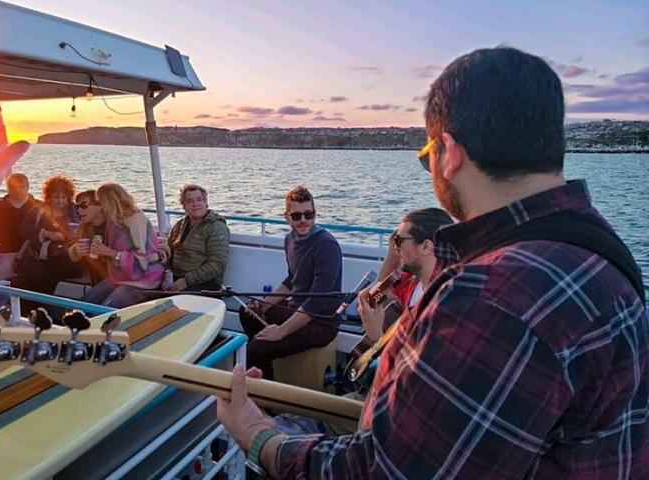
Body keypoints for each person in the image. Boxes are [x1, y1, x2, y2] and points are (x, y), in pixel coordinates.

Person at [217, 47, 649, 479]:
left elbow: (385, 472)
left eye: (428, 156)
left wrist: (259, 434)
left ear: (450, 152)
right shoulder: (596, 248)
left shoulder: (493, 295)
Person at [239, 185, 343, 380]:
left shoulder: (325, 245)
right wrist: (264, 303)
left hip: (321, 323)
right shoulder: (289, 240)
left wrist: (281, 331)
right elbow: (292, 278)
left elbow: (316, 302)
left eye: (308, 214)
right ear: (287, 217)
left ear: (315, 214)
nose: (303, 220)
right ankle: (269, 367)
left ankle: (266, 407)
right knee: (248, 312)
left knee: (255, 350)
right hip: (297, 309)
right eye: (297, 216)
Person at [360, 207, 453, 343]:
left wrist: (376, 335)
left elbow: (415, 360)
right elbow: (376, 295)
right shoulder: (410, 283)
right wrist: (393, 253)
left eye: (399, 241)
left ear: (426, 247)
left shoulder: (446, 302)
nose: (396, 247)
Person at [80, 183, 163, 308]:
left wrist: (111, 253)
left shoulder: (136, 220)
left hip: (142, 281)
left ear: (110, 202)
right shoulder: (113, 221)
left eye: (101, 202)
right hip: (118, 277)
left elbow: (142, 261)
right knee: (82, 305)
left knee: (106, 308)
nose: (101, 207)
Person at [13, 174, 83, 298]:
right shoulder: (38, 211)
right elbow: (24, 230)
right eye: (56, 197)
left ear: (69, 197)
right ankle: (25, 306)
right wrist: (46, 233)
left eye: (64, 197)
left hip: (67, 255)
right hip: (40, 254)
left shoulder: (76, 211)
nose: (60, 201)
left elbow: (86, 229)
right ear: (49, 196)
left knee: (55, 271)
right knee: (30, 271)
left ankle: (41, 305)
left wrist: (77, 235)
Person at [162, 184, 230, 292]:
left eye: (199, 200)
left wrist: (187, 280)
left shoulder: (216, 227)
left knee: (174, 300)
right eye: (190, 201)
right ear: (184, 206)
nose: (195, 204)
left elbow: (218, 264)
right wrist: (166, 276)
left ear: (205, 203)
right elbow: (169, 254)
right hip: (178, 277)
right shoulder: (179, 225)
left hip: (206, 283)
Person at [68, 189, 108, 284]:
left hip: (116, 279)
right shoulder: (84, 227)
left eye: (84, 205)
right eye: (77, 207)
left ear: (100, 206)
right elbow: (74, 257)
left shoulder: (113, 226)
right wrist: (75, 250)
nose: (79, 210)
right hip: (97, 279)